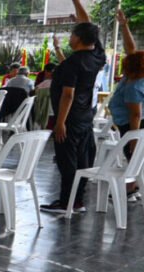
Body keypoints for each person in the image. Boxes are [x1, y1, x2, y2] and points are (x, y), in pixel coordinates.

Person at [40, 0, 106, 213]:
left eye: (72, 34)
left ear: (78, 38)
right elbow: (88, 24)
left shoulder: (72, 63)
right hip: (85, 115)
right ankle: (77, 201)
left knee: (67, 160)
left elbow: (68, 95)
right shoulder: (97, 57)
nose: (70, 37)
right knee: (82, 158)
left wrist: (60, 122)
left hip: (69, 118)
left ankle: (66, 202)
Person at [109, 9, 144, 194]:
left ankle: (133, 186)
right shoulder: (137, 77)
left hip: (131, 125)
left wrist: (133, 140)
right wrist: (124, 26)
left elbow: (136, 114)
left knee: (133, 155)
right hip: (129, 123)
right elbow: (131, 49)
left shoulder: (133, 85)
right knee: (135, 156)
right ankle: (134, 184)